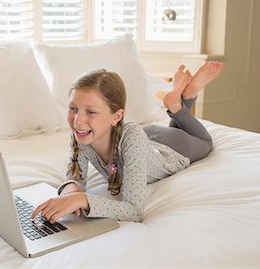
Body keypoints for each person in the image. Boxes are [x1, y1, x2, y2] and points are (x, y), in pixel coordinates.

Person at [31, 61, 225, 223]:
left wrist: (83, 200)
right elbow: (75, 177)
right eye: (73, 108)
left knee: (205, 142)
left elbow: (134, 210)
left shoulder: (128, 137)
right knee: (174, 129)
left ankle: (185, 97)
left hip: (172, 147)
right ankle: (178, 99)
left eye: (90, 111)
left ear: (117, 117)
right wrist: (71, 191)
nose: (77, 120)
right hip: (146, 137)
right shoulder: (82, 133)